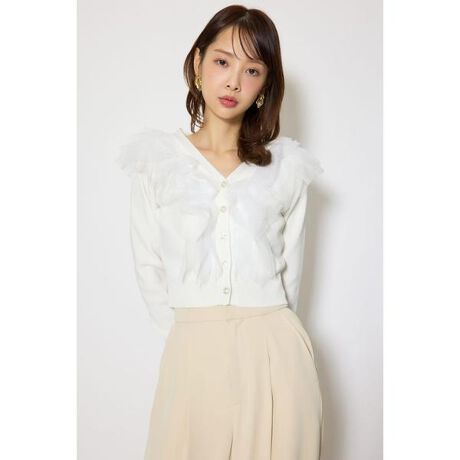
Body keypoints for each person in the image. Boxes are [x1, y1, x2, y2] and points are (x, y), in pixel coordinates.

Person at [117, 5, 324, 459]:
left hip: (276, 354)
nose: (233, 82)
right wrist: (196, 338)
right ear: (198, 63)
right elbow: (149, 268)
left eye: (252, 70)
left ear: (265, 85)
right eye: (222, 61)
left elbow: (290, 276)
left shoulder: (286, 170)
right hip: (193, 351)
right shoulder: (157, 163)